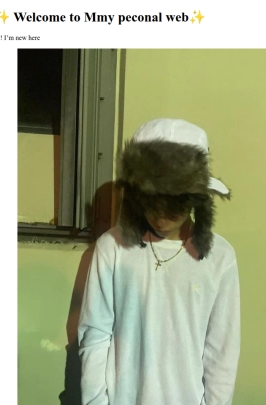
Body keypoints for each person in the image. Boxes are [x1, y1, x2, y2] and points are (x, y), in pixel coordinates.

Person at [78, 118, 241, 405]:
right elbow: (95, 334)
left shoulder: (220, 257)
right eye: (151, 200)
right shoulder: (112, 248)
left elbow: (222, 352)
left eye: (173, 202)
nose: (161, 215)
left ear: (195, 198)